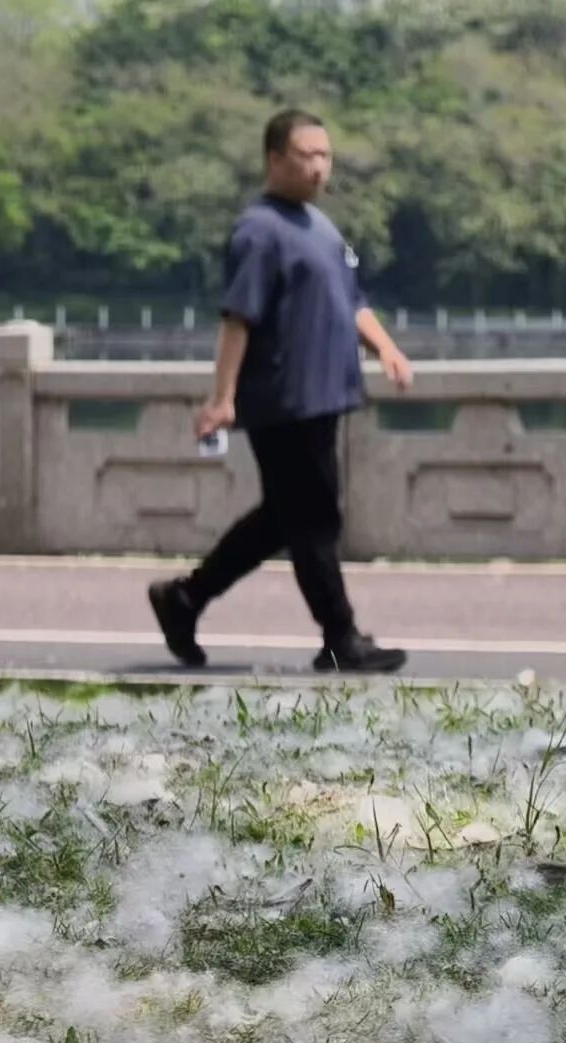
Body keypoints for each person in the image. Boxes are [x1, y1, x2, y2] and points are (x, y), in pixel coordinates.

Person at [149, 108, 414, 674]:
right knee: (314, 517)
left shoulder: (322, 229)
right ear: (275, 160)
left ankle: (184, 600)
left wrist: (385, 348)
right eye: (307, 156)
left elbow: (354, 302)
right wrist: (222, 398)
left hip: (325, 397)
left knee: (285, 518)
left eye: (326, 156)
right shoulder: (259, 231)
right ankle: (341, 636)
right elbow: (237, 319)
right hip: (282, 401)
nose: (320, 167)